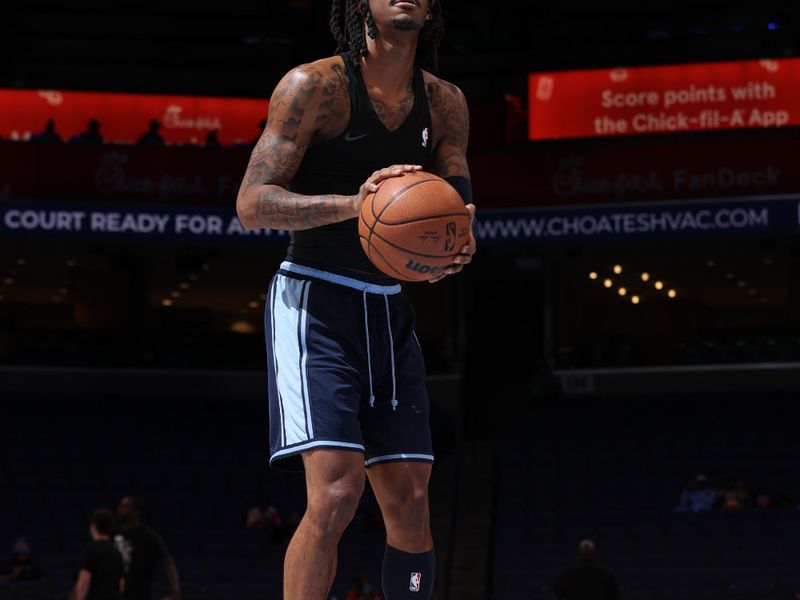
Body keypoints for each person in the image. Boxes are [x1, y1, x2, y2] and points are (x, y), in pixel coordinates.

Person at [235, 1, 475, 598]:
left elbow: (456, 203)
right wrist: (356, 204)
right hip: (314, 299)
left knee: (411, 500)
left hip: (388, 305)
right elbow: (252, 203)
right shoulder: (313, 86)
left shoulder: (445, 102)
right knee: (338, 494)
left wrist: (455, 244)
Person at [113, 497, 181, 600]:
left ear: (136, 512)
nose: (120, 509)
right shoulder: (113, 534)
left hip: (140, 595)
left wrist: (175, 590)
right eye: (120, 506)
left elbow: (167, 562)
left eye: (125, 507)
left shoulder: (148, 536)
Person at [71, 508, 124, 600]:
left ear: (93, 527)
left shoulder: (91, 549)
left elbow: (84, 581)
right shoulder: (117, 552)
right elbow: (122, 584)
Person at [554, 540, 620, 600]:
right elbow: (614, 596)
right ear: (594, 553)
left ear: (579, 553)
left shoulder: (567, 574)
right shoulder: (606, 574)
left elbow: (558, 593)